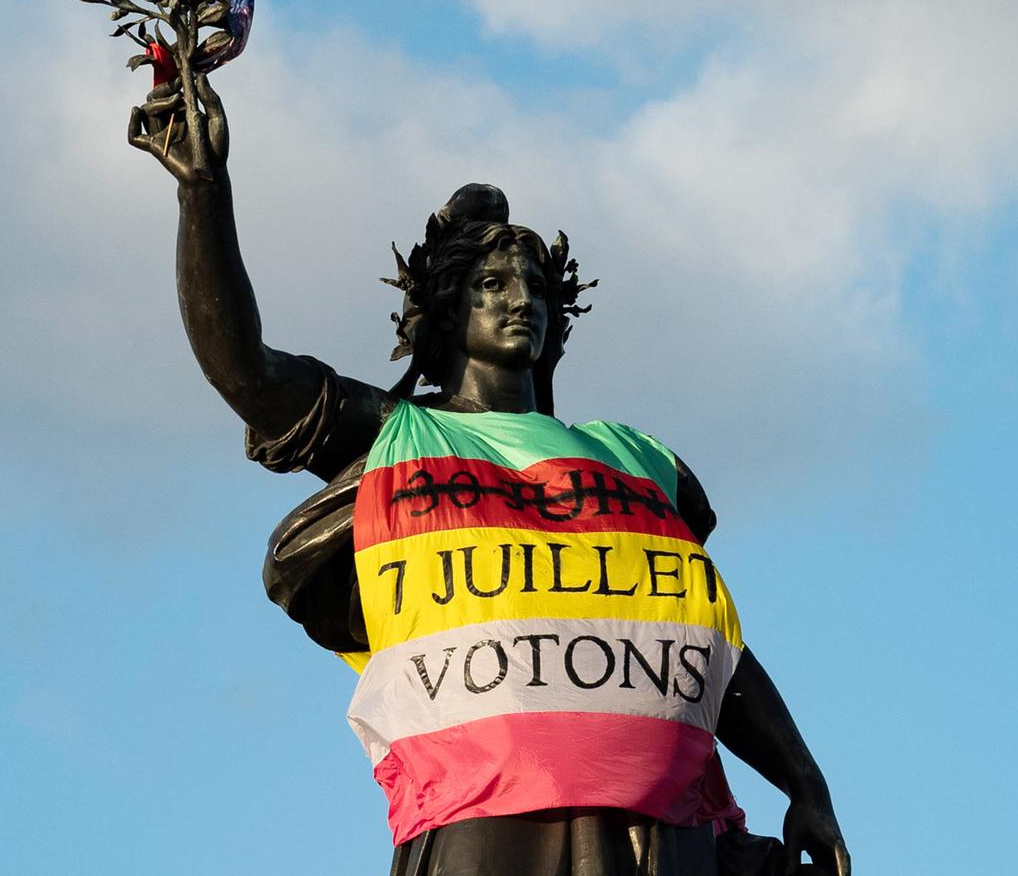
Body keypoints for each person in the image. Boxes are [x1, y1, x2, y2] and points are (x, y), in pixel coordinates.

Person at [129, 70, 850, 876]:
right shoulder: (403, 436)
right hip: (484, 815)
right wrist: (204, 192)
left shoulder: (639, 459)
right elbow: (246, 372)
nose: (521, 303)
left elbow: (710, 646)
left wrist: (804, 780)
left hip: (663, 829)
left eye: (536, 288)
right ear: (447, 310)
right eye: (492, 285)